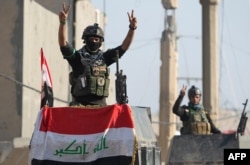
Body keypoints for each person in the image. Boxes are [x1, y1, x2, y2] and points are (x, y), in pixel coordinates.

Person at [58, 3, 137, 106]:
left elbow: (124, 47)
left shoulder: (104, 58)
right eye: (91, 39)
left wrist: (132, 28)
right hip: (79, 107)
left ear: (100, 42)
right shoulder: (77, 57)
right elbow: (63, 43)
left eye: (97, 39)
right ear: (85, 40)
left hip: (101, 109)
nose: (94, 41)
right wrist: (62, 22)